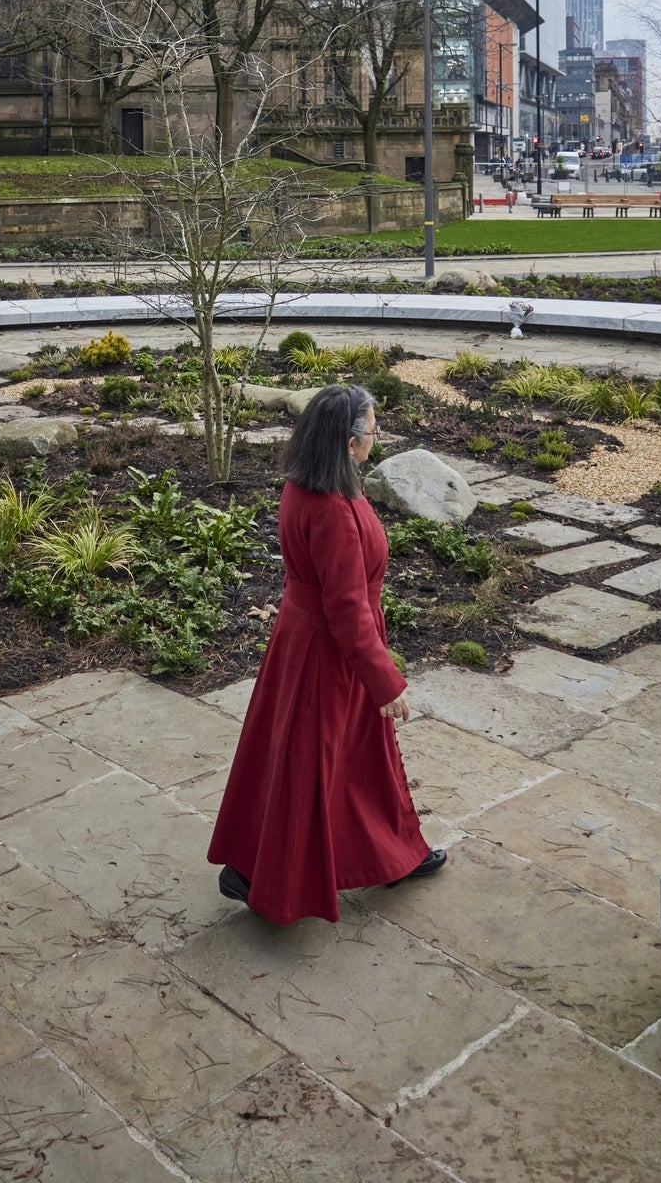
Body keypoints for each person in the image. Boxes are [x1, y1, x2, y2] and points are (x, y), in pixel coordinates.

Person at [208, 383, 446, 924]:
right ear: (346, 440)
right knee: (310, 768)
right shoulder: (333, 509)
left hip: (305, 643)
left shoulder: (306, 486)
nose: (376, 434)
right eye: (371, 426)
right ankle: (260, 877)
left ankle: (394, 853)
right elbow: (346, 608)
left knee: (349, 762)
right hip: (331, 656)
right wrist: (385, 681)